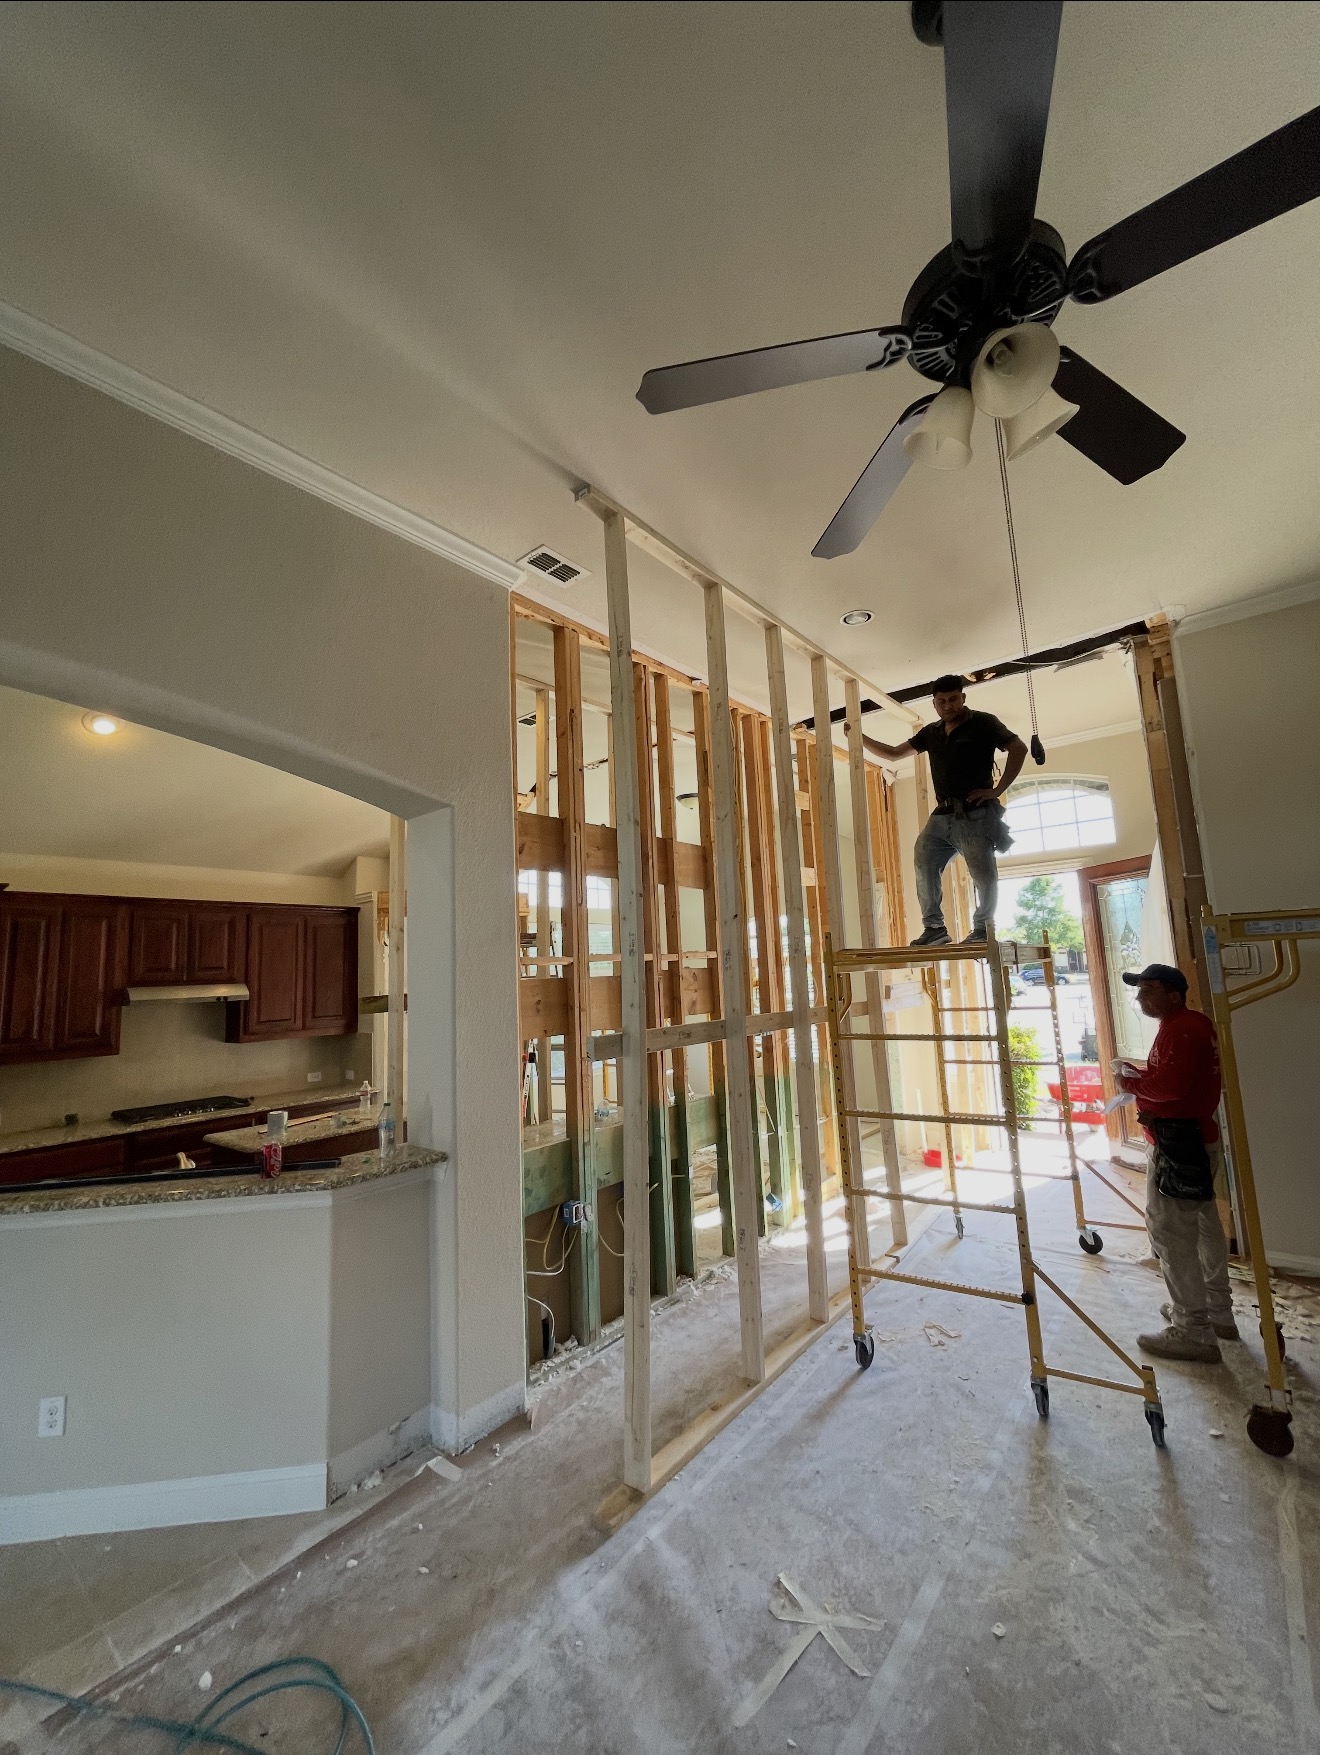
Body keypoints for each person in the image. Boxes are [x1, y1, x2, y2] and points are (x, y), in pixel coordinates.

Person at [1118, 963, 1238, 1363]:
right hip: (1192, 1137)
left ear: (1173, 995)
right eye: (1139, 991)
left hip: (1179, 1145)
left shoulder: (1183, 1029)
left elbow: (1171, 1087)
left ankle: (1193, 1329)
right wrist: (1145, 1078)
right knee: (1203, 1223)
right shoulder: (1186, 1025)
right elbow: (1174, 1080)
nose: (1140, 998)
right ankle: (1217, 1312)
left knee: (1171, 1232)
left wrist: (1131, 1084)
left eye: (1148, 990)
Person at [863, 675, 1027, 946]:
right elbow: (893, 754)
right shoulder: (931, 733)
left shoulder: (983, 723)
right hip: (942, 815)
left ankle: (983, 930)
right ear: (935, 704)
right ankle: (935, 928)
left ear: (963, 698)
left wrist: (997, 790)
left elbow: (1018, 748)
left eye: (953, 699)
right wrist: (858, 737)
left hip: (975, 813)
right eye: (942, 701)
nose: (948, 705)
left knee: (982, 874)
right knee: (923, 861)